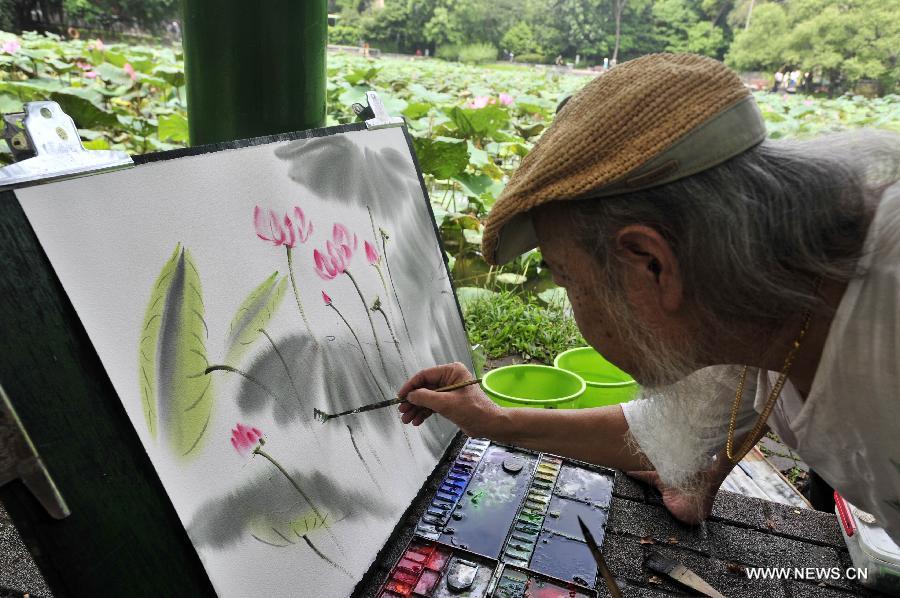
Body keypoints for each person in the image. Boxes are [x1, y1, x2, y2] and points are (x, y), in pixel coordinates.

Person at [397, 53, 900, 543]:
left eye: (567, 280)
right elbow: (663, 428)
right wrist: (493, 421)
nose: (573, 304)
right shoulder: (758, 299)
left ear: (651, 264)